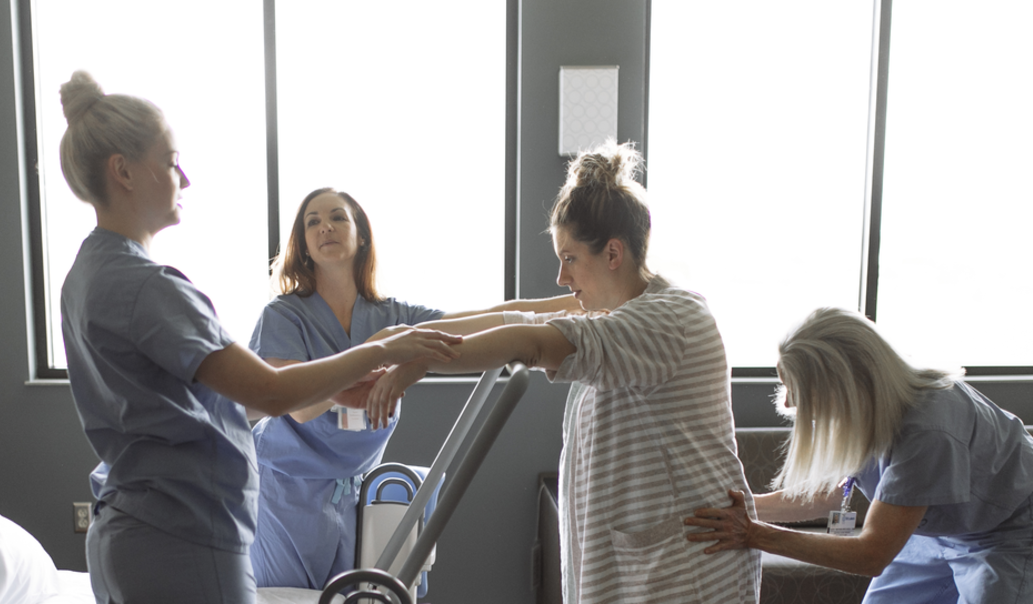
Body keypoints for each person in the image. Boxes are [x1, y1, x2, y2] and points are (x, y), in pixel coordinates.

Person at [54, 71, 462, 604]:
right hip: (182, 537)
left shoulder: (88, 273)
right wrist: (386, 349)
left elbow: (209, 403)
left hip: (138, 529)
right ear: (124, 171)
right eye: (172, 161)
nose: (185, 178)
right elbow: (269, 393)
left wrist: (337, 389)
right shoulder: (149, 288)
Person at [363, 142, 760, 603]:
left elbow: (530, 343)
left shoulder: (668, 319)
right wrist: (400, 339)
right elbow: (517, 316)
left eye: (569, 259)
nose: (560, 277)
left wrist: (422, 363)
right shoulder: (618, 310)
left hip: (686, 572)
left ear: (613, 254)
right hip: (643, 563)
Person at [247, 187, 578, 589]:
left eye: (337, 217)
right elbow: (295, 405)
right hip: (287, 492)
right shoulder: (283, 316)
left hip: (355, 495)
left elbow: (486, 318)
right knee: (285, 598)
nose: (325, 227)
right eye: (312, 222)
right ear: (303, 245)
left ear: (361, 235)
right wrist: (379, 348)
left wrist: (578, 305)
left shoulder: (393, 316)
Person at [685, 307, 1033, 604]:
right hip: (931, 525)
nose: (787, 402)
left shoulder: (927, 430)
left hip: (1006, 528)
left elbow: (871, 554)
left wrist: (753, 534)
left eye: (796, 389)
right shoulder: (861, 411)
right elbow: (833, 494)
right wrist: (745, 507)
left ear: (844, 384)